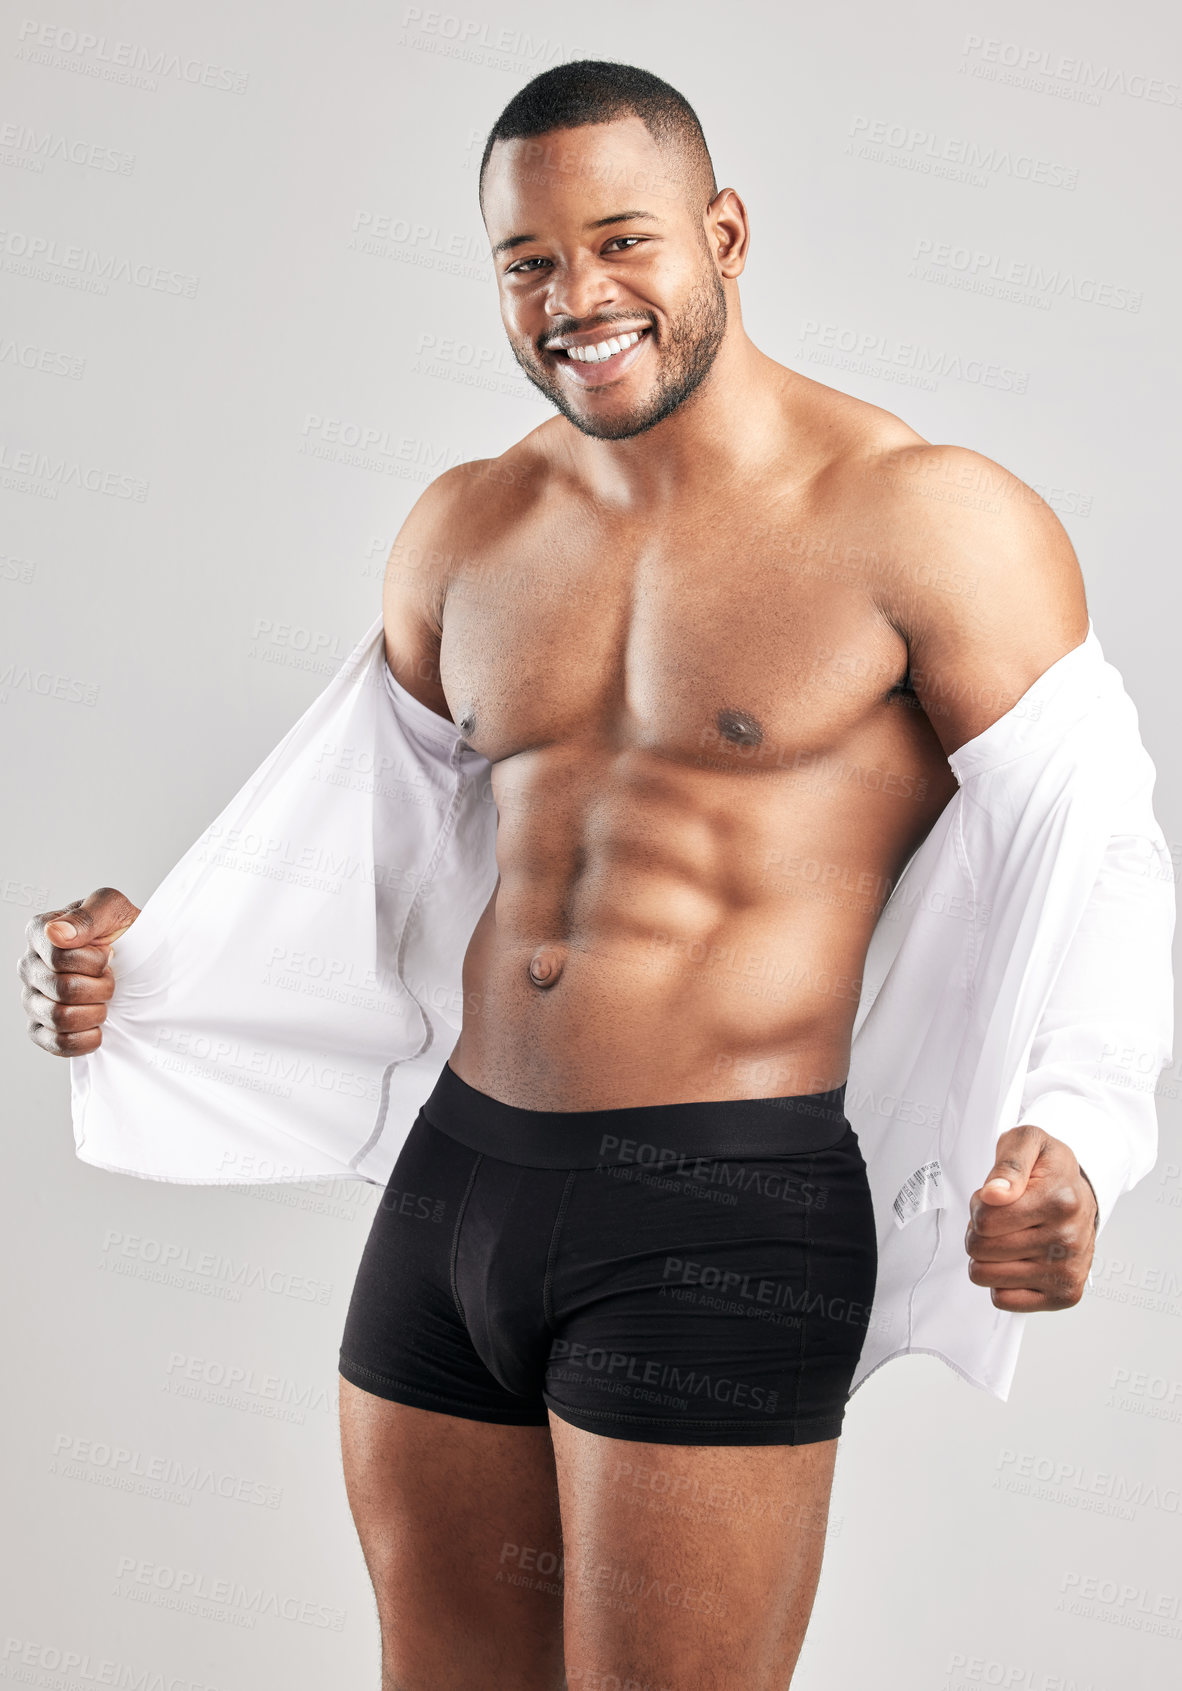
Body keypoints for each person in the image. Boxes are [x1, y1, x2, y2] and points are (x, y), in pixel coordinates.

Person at [17, 60, 1172, 1691]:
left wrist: (1087, 1133)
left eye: (622, 243)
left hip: (722, 1207)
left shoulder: (925, 519)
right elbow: (361, 842)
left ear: (723, 233)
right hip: (457, 1194)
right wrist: (159, 960)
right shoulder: (467, 530)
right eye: (528, 262)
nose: (577, 297)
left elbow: (1104, 844)